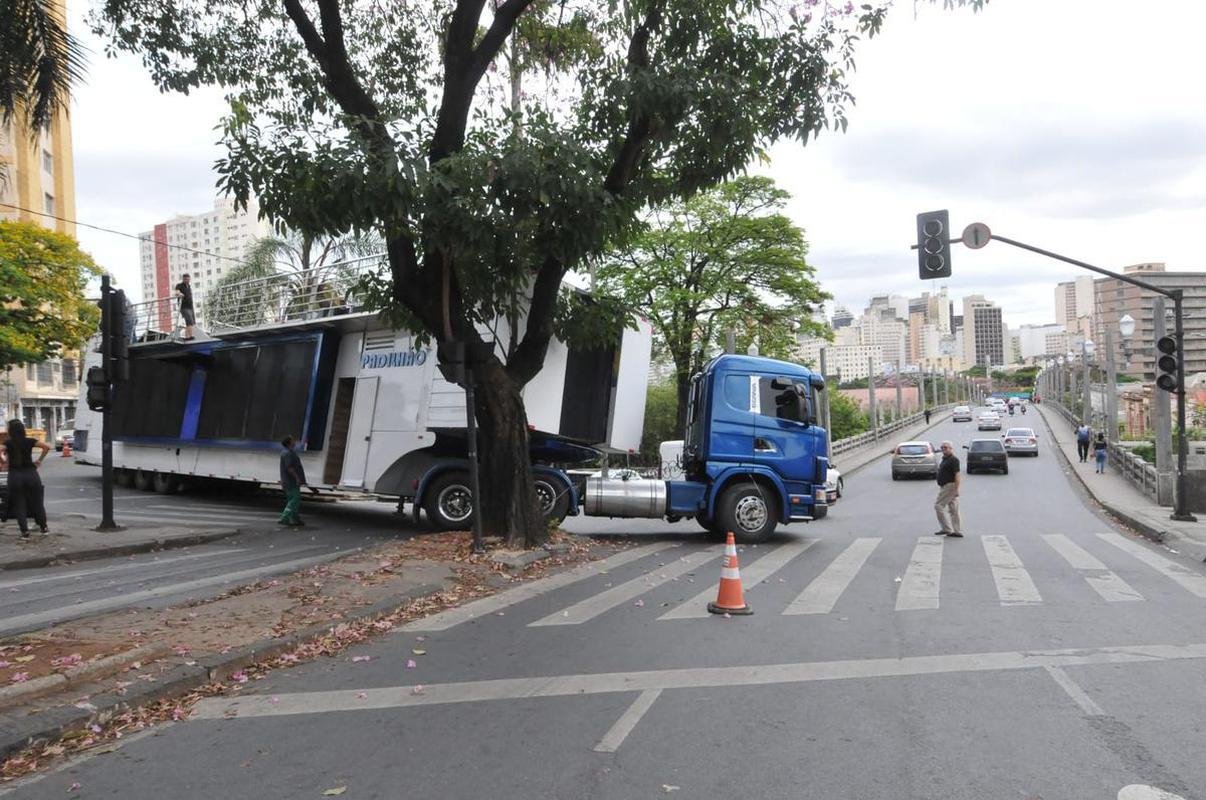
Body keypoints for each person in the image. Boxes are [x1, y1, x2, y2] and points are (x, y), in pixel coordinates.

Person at [1, 420, 50, 537]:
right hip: (31, 474)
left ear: (10, 431)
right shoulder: (30, 441)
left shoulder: (8, 443)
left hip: (15, 476)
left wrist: (3, 461)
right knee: (37, 503)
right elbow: (46, 447)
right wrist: (39, 461)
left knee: (19, 504)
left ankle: (25, 532)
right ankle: (44, 528)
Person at [278, 435, 314, 527]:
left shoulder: (289, 452)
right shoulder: (287, 453)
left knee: (293, 500)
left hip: (289, 481)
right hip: (291, 481)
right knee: (295, 499)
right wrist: (297, 478)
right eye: (293, 440)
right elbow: (289, 468)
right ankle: (285, 517)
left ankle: (294, 519)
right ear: (289, 443)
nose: (294, 442)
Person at [934, 440, 963, 538]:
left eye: (945, 447)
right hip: (946, 486)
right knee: (953, 509)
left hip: (949, 486)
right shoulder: (945, 459)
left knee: (938, 506)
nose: (943, 449)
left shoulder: (953, 459)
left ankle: (947, 528)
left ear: (951, 448)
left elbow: (957, 475)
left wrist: (956, 489)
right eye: (942, 447)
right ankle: (957, 531)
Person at [174, 273, 195, 340]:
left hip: (190, 307)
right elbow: (177, 292)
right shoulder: (179, 285)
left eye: (189, 279)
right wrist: (180, 294)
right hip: (184, 307)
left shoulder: (189, 286)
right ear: (183, 279)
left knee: (189, 322)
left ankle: (187, 336)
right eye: (186, 279)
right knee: (189, 321)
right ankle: (190, 336)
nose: (188, 280)